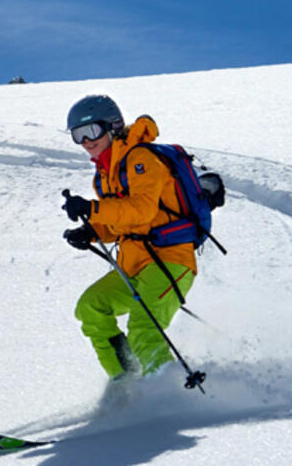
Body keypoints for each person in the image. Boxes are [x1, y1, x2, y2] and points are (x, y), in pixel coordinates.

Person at [60, 95, 197, 380]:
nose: (86, 141)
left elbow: (143, 211)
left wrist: (92, 208)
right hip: (134, 266)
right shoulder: (104, 175)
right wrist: (92, 232)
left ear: (113, 126)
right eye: (78, 135)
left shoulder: (141, 158)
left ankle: (167, 396)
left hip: (169, 260)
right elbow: (121, 223)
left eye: (91, 131)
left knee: (144, 327)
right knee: (91, 307)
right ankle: (126, 382)